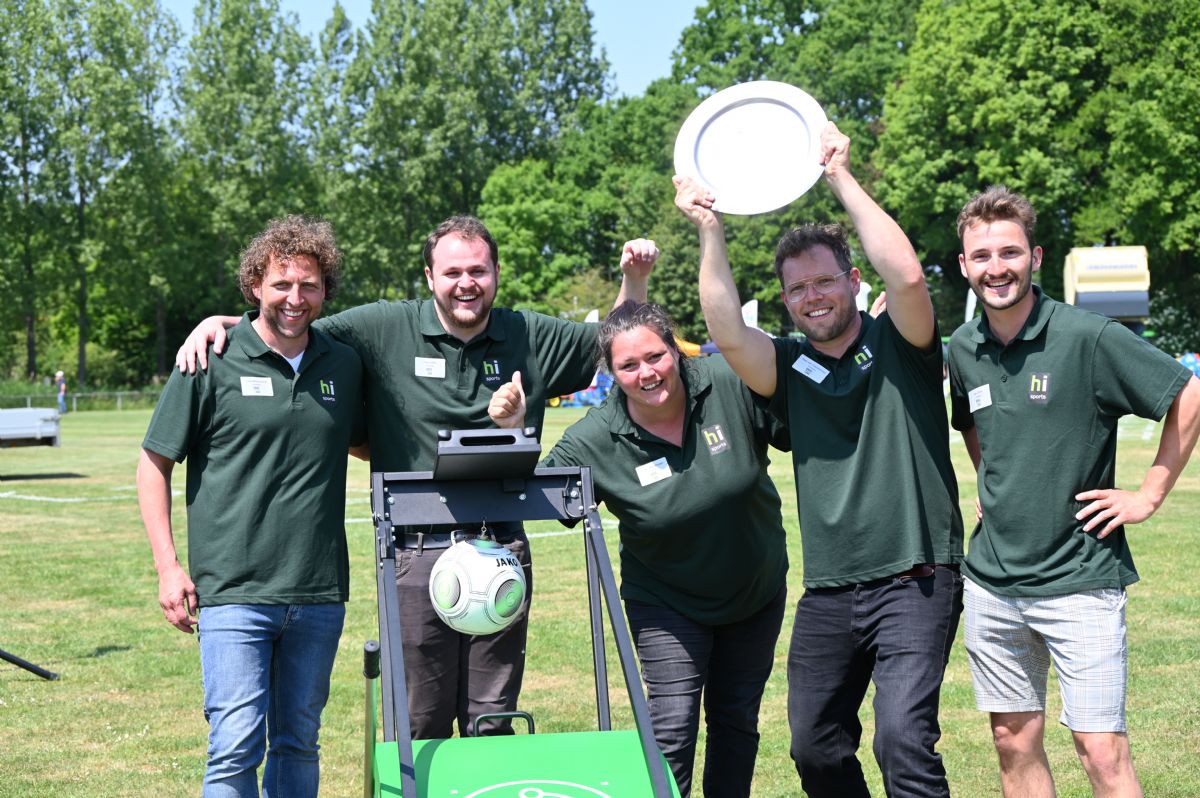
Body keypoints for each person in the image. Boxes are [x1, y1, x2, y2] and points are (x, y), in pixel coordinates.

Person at [175, 217, 657, 740]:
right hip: (413, 552)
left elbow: (619, 346)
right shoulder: (383, 327)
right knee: (417, 724)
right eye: (452, 272)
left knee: (493, 719)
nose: (466, 283)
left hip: (502, 547)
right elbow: (293, 320)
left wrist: (633, 280)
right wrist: (222, 322)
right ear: (429, 277)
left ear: (497, 273)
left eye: (478, 271)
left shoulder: (529, 333)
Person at [674, 122, 964, 798]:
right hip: (831, 587)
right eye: (798, 289)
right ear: (786, 300)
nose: (813, 297)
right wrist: (709, 230)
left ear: (854, 281)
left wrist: (838, 175)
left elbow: (909, 275)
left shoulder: (901, 342)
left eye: (825, 281)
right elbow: (726, 331)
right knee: (814, 746)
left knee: (902, 739)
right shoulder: (787, 364)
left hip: (917, 577)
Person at [947, 186, 1200, 798]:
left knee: (1101, 751)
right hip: (992, 585)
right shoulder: (963, 348)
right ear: (964, 265)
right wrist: (993, 480)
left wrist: (1148, 495)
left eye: (1010, 252)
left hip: (1080, 578)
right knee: (1012, 742)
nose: (996, 268)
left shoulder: (1088, 336)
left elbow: (1188, 394)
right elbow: (974, 424)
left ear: (1035, 257)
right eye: (981, 256)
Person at [490, 300, 790, 798]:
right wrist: (516, 432)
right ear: (610, 373)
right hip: (666, 601)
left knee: (737, 720)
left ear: (676, 349)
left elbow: (797, 414)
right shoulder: (596, 436)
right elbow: (538, 494)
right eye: (628, 365)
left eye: (655, 356)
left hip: (755, 590)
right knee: (671, 729)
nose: (647, 373)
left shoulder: (727, 380)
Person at [137, 215, 364, 797]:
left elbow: (368, 442)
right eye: (281, 283)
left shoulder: (342, 362)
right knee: (235, 746)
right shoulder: (210, 357)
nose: (295, 298)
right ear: (255, 285)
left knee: (299, 742)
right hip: (233, 592)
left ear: (325, 290)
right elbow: (154, 463)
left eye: (309, 285)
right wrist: (167, 567)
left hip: (317, 592)